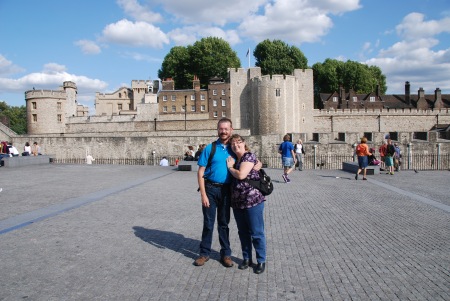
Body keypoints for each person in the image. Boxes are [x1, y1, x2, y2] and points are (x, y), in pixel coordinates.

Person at [195, 118, 235, 268]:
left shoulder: (235, 147)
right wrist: (203, 194)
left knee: (224, 224)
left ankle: (226, 253)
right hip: (210, 189)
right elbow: (200, 172)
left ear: (231, 130)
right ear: (217, 130)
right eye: (221, 129)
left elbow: (249, 159)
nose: (223, 131)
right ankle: (204, 253)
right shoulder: (210, 148)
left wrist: (257, 164)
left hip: (227, 191)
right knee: (208, 223)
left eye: (226, 129)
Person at [226, 134, 267, 274]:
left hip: (252, 201)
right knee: (243, 233)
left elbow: (242, 175)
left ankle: (261, 260)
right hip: (238, 203)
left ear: (244, 143)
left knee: (256, 232)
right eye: (233, 143)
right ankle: (246, 258)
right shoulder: (236, 158)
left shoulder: (248, 156)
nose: (235, 145)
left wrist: (231, 168)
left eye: (238, 142)